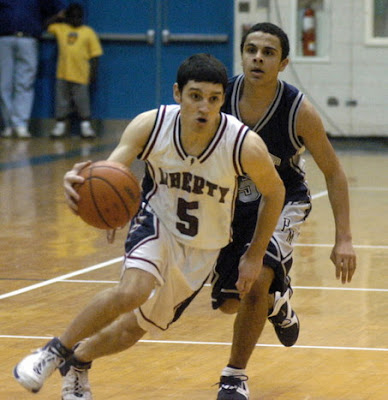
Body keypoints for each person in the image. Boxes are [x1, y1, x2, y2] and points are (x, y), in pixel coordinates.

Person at [13, 53, 285, 399]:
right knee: (133, 290)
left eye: (214, 99)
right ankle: (52, 352)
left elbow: (275, 193)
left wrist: (254, 254)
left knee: (134, 329)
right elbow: (110, 172)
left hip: (203, 248)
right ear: (177, 93)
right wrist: (83, 185)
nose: (204, 107)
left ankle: (78, 360)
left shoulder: (242, 143)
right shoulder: (151, 125)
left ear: (222, 101)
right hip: (156, 222)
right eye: (195, 96)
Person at [213, 23, 357, 400]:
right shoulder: (218, 98)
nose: (258, 57)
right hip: (231, 205)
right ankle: (279, 301)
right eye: (251, 49)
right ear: (242, 54)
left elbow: (334, 172)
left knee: (258, 276)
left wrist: (344, 239)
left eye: (268, 52)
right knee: (231, 303)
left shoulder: (298, 110)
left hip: (284, 201)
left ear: (283, 63)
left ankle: (234, 376)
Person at [0, 0, 66, 139]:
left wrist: (41, 26)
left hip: (29, 38)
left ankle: (21, 125)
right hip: (4, 38)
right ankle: (8, 125)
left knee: (25, 83)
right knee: (3, 84)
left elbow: (58, 10)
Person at [47, 3, 103, 139]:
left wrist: (93, 74)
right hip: (63, 73)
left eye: (79, 17)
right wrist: (57, 17)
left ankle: (86, 127)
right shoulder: (61, 28)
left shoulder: (88, 32)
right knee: (62, 101)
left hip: (81, 75)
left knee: (82, 102)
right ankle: (60, 126)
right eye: (72, 17)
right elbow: (46, 25)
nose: (76, 20)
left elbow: (95, 55)